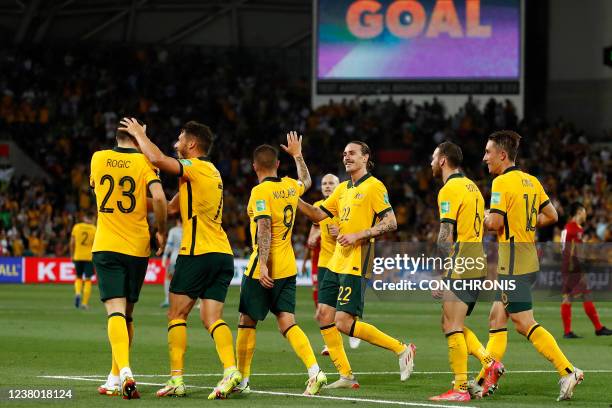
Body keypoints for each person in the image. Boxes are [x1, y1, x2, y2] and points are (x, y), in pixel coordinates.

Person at [119, 118, 240, 400]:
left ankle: (176, 380)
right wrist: (126, 201)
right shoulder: (209, 174)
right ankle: (231, 370)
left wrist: (138, 135)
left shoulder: (195, 168)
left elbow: (157, 158)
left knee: (176, 314)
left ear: (192, 144)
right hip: (222, 254)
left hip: (197, 253)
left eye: (179, 139)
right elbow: (171, 207)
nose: (176, 144)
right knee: (211, 318)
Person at [297, 141, 416, 389]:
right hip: (336, 260)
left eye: (352, 153)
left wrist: (359, 234)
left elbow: (391, 222)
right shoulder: (342, 189)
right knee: (323, 315)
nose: (346, 157)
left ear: (365, 158)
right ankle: (346, 376)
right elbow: (318, 215)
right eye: (344, 154)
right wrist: (293, 199)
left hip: (357, 259)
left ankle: (402, 349)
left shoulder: (374, 186)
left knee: (341, 321)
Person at [480, 130, 583, 401]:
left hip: (513, 261)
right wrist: (524, 223)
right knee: (496, 317)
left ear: (502, 155)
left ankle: (567, 370)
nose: (485, 158)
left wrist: (478, 218)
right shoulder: (531, 180)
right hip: (526, 257)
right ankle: (485, 378)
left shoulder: (501, 183)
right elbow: (552, 215)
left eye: (488, 152)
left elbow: (495, 224)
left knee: (524, 323)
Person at [234, 133, 327, 396]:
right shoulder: (288, 186)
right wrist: (297, 155)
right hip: (288, 266)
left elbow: (264, 226)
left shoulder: (260, 191)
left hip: (265, 267)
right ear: (277, 164)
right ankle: (314, 371)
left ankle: (242, 379)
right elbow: (306, 180)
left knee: (246, 321)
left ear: (254, 166)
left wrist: (263, 264)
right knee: (287, 321)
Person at [91, 127, 167, 399]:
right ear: (138, 138)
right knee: (128, 314)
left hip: (107, 244)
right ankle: (114, 377)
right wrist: (161, 230)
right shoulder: (144, 162)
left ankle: (124, 372)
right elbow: (158, 198)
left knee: (115, 312)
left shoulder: (97, 158)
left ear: (116, 138)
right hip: (137, 247)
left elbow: (99, 191)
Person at [428, 142, 502, 402]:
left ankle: (460, 389)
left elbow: (445, 236)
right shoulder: (473, 187)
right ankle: (488, 362)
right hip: (477, 261)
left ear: (443, 161)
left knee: (452, 325)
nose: (430, 162)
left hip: (461, 263)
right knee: (450, 323)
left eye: (433, 157)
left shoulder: (449, 189)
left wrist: (442, 273)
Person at [306, 174, 361, 356]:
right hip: (324, 262)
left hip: (344, 261)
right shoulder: (318, 207)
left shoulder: (344, 205)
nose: (328, 186)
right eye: (324, 183)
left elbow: (355, 231)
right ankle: (330, 343)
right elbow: (315, 226)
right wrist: (312, 238)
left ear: (339, 186)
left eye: (332, 183)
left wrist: (340, 232)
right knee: (324, 308)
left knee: (344, 304)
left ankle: (355, 326)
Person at [560, 202, 612, 338]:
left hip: (569, 267)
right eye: (584, 211)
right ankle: (597, 329)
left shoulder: (570, 228)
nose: (585, 214)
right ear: (579, 212)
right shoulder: (574, 230)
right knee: (582, 296)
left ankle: (570, 331)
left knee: (571, 298)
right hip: (573, 269)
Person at [70, 212, 97, 310]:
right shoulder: (94, 229)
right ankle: (84, 303)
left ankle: (77, 293)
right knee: (88, 279)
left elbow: (72, 242)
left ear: (84, 218)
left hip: (78, 256)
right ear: (91, 219)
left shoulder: (77, 227)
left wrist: (72, 255)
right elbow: (97, 244)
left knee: (78, 277)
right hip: (89, 257)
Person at [161, 218, 182, 308]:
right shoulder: (190, 229)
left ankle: (167, 299)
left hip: (175, 257)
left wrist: (165, 257)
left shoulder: (173, 231)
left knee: (168, 277)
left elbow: (169, 245)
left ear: (177, 221)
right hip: (187, 258)